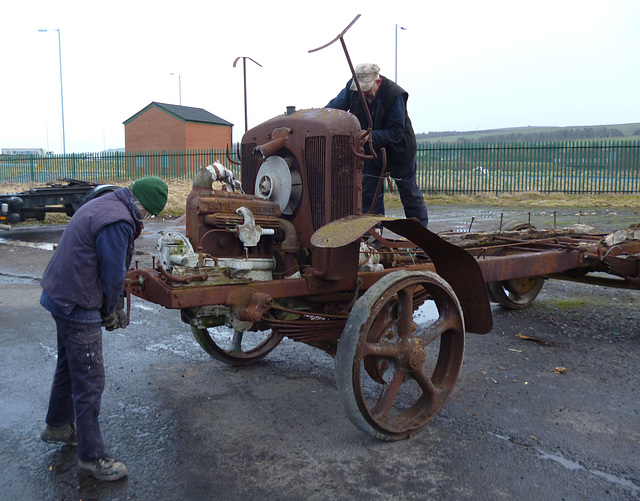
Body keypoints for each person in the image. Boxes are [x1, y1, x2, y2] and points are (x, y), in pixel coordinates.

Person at [39, 176, 168, 481]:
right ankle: (92, 458)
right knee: (90, 379)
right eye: (148, 215)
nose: (145, 220)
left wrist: (110, 307)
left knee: (69, 367)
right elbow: (112, 275)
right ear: (142, 208)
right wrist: (111, 311)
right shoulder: (120, 221)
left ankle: (57, 426)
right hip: (77, 300)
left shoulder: (105, 202)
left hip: (59, 293)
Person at [326, 63, 429, 227]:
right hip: (371, 153)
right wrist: (321, 118)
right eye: (361, 90)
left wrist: (368, 136)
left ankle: (422, 238)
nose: (364, 94)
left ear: (378, 82)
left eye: (367, 89)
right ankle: (373, 236)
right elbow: (333, 109)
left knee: (409, 194)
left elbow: (396, 132)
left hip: (399, 152)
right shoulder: (353, 89)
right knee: (370, 195)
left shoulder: (396, 95)